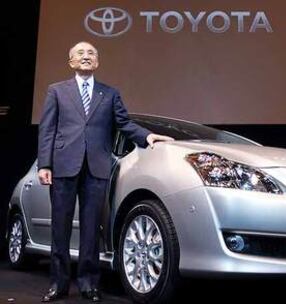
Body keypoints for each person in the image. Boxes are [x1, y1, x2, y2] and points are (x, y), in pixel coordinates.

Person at [37, 41, 173, 302]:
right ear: (71, 62)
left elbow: (124, 123)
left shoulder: (109, 93)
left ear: (97, 62)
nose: (86, 57)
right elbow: (47, 130)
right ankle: (58, 284)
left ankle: (88, 283)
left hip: (96, 168)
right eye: (80, 53)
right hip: (64, 166)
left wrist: (148, 137)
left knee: (91, 229)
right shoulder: (56, 91)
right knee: (60, 228)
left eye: (91, 54)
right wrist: (45, 164)